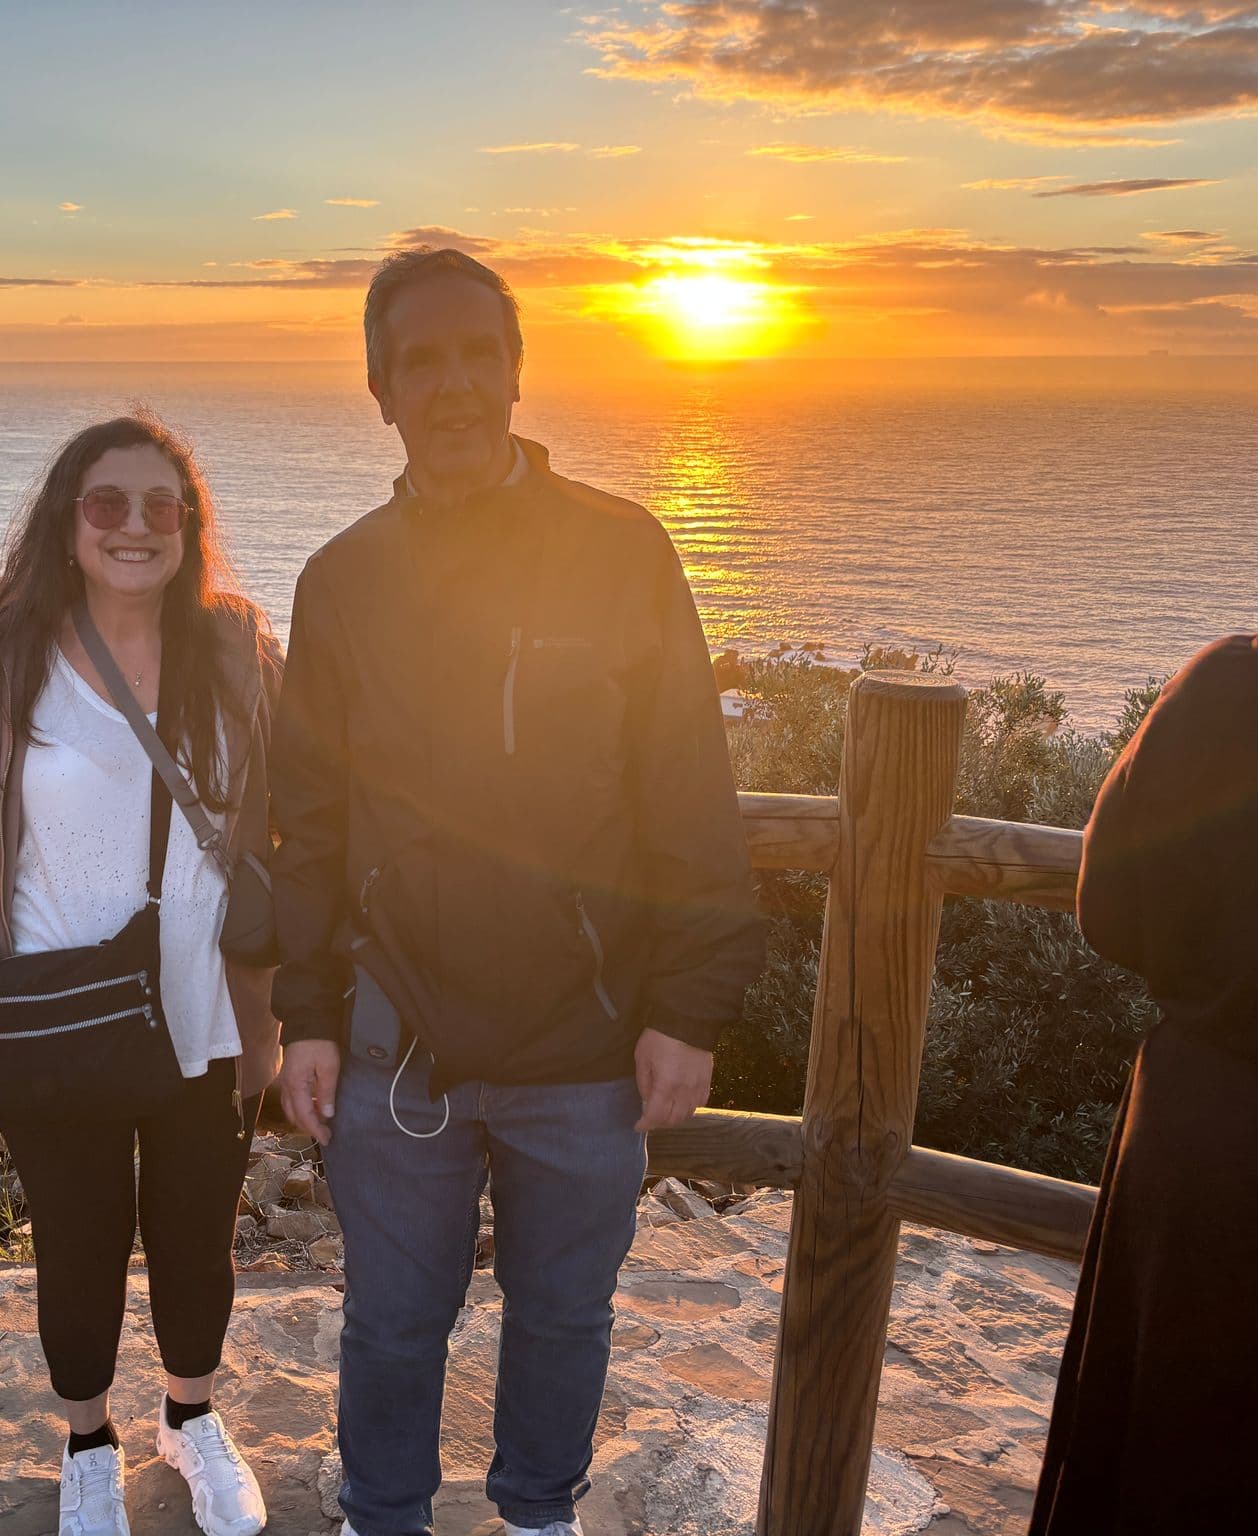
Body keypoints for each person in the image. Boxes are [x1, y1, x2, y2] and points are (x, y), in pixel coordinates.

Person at [270, 248, 766, 1536]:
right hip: (396, 1044)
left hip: (587, 1042)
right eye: (419, 360)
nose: (452, 383)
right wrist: (306, 1015)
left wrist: (688, 1009)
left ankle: (537, 1513)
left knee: (563, 1314)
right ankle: (381, 1514)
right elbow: (309, 825)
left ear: (515, 369)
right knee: (390, 1322)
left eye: (475, 353)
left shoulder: (619, 550)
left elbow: (686, 798)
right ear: (379, 387)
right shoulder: (341, 581)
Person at [0, 415, 282, 1536]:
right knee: (74, 1245)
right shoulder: (3, 665)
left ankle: (190, 1419)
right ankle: (85, 1441)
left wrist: (272, 1016)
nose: (133, 526)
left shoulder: (236, 653)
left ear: (188, 526)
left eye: (159, 505)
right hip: (55, 1010)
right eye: (105, 503)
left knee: (193, 1237)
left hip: (204, 1014)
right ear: (67, 526)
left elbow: (274, 835)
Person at [1027, 409, 1258, 1533]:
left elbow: (1110, 909)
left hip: (1214, 1168)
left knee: (1159, 1472)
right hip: (1219, 1161)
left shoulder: (1231, 696)